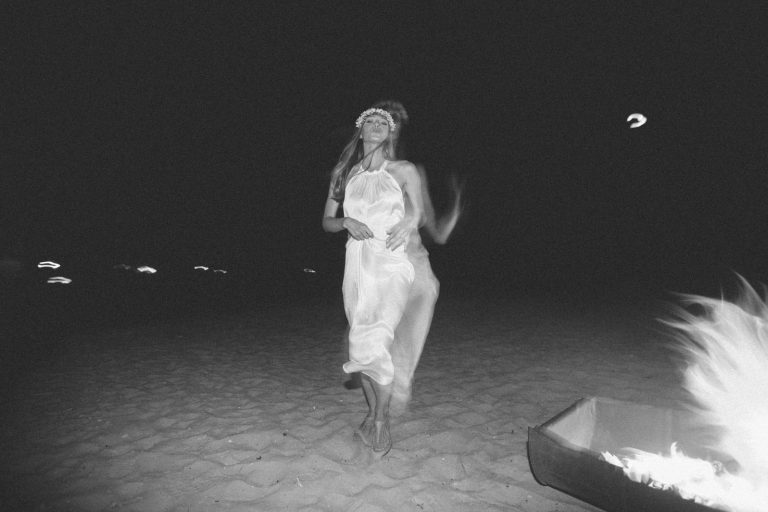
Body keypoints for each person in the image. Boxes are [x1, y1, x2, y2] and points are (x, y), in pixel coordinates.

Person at [322, 107, 425, 453]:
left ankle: (380, 420)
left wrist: (409, 222)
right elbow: (326, 221)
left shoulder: (404, 169)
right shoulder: (344, 173)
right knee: (361, 344)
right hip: (357, 262)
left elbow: (418, 211)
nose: (378, 126)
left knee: (377, 338)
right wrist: (345, 222)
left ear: (390, 133)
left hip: (391, 261)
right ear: (361, 130)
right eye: (372, 121)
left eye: (384, 123)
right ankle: (373, 413)